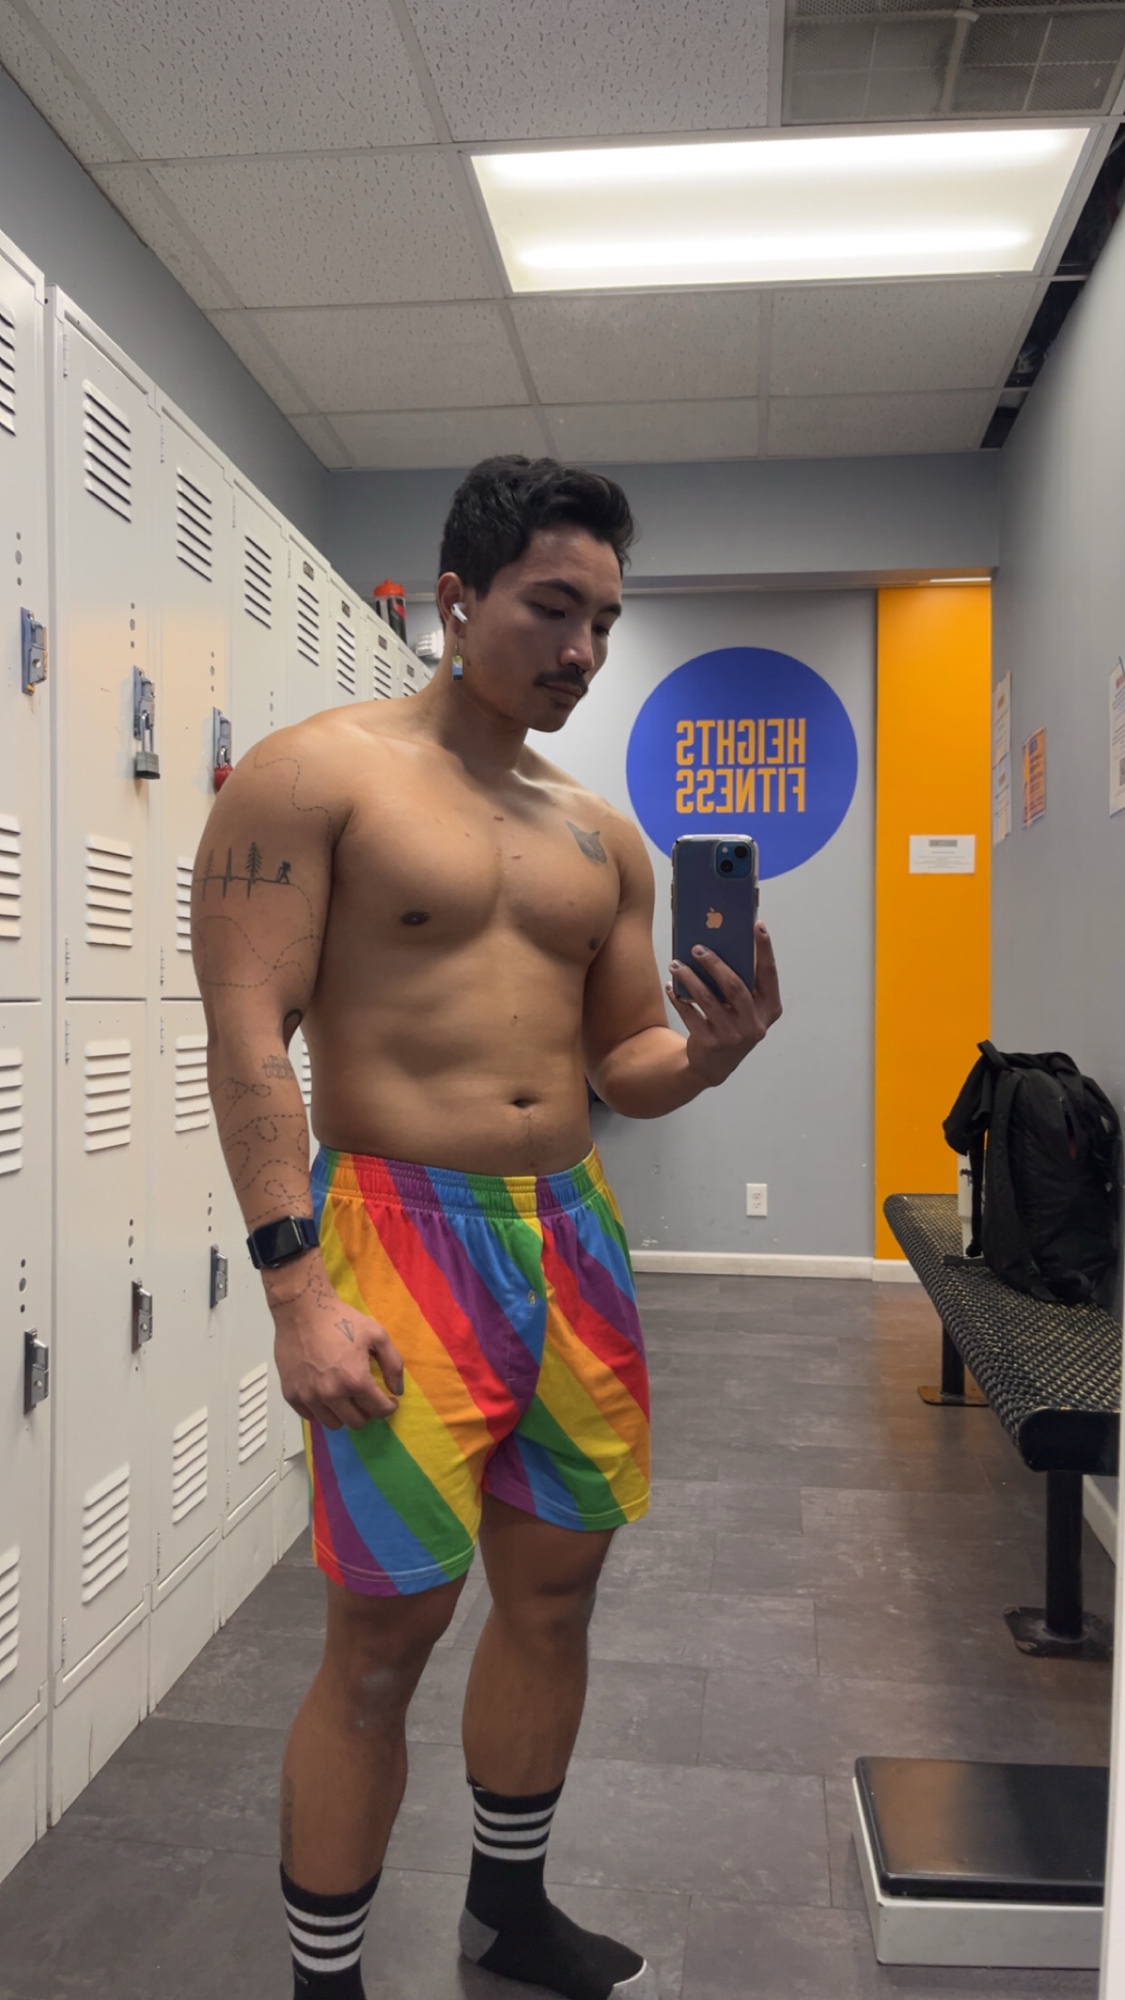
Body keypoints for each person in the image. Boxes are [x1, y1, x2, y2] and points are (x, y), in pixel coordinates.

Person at [192, 456, 782, 2000]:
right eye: (552, 609)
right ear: (456, 601)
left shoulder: (600, 837)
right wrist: (294, 1291)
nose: (583, 650)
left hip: (571, 1240)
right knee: (384, 1638)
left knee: (556, 1593)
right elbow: (248, 1043)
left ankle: (505, 1916)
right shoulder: (314, 779)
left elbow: (624, 1064)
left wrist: (710, 1055)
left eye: (604, 622)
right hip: (396, 1231)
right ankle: (327, 1983)